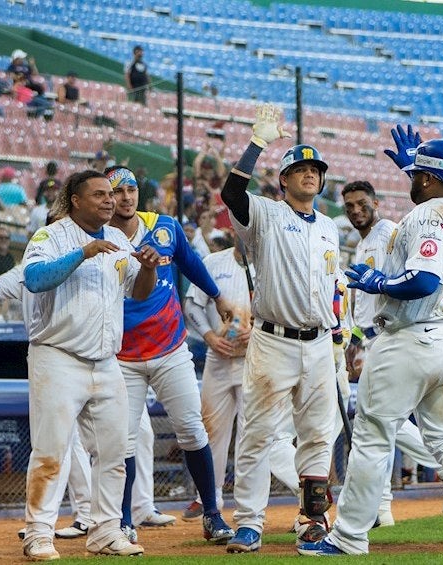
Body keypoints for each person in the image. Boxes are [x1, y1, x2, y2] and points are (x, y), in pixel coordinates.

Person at [306, 137, 443, 556]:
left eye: (417, 173)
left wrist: (376, 282)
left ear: (425, 177)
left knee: (372, 435)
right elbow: (441, 200)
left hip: (415, 338)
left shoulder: (424, 215)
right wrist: (416, 167)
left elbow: (423, 279)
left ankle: (347, 537)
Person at [218, 104, 342, 554]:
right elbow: (231, 194)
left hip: (320, 342)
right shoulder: (266, 214)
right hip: (274, 340)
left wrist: (340, 337)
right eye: (300, 169)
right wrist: (258, 143)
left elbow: (332, 288)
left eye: (316, 170)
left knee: (317, 434)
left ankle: (313, 521)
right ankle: (249, 523)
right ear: (284, 179)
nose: (310, 174)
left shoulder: (329, 227)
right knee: (257, 432)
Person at [20, 170, 158, 560]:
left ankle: (105, 531)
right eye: (98, 194)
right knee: (50, 451)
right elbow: (34, 278)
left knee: (115, 452)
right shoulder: (52, 235)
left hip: (106, 361)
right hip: (58, 356)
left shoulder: (116, 238)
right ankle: (38, 533)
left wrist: (148, 268)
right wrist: (81, 253)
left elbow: (138, 292)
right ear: (76, 200)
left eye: (110, 194)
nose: (109, 200)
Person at [104, 166, 234, 545]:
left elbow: (191, 263)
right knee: (122, 442)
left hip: (170, 348)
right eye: (117, 191)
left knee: (193, 430)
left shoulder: (164, 226)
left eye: (130, 189)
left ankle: (211, 513)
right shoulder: (98, 237)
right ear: (106, 198)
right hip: (122, 355)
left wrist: (217, 296)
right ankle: (123, 521)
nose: (125, 197)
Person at [341, 179, 443, 525]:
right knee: (377, 424)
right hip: (368, 336)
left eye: (361, 203)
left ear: (376, 202)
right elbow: (361, 299)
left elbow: (396, 281)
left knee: (384, 423)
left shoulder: (386, 232)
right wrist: (354, 337)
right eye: (349, 205)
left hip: (390, 333)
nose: (355, 210)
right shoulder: (363, 242)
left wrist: (373, 333)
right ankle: (380, 508)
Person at [181, 240, 301, 520]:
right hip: (219, 357)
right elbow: (192, 305)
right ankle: (208, 499)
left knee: (256, 434)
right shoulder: (213, 262)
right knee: (211, 430)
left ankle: (253, 506)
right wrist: (209, 337)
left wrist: (260, 331)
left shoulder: (274, 263)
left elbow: (287, 310)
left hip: (258, 360)